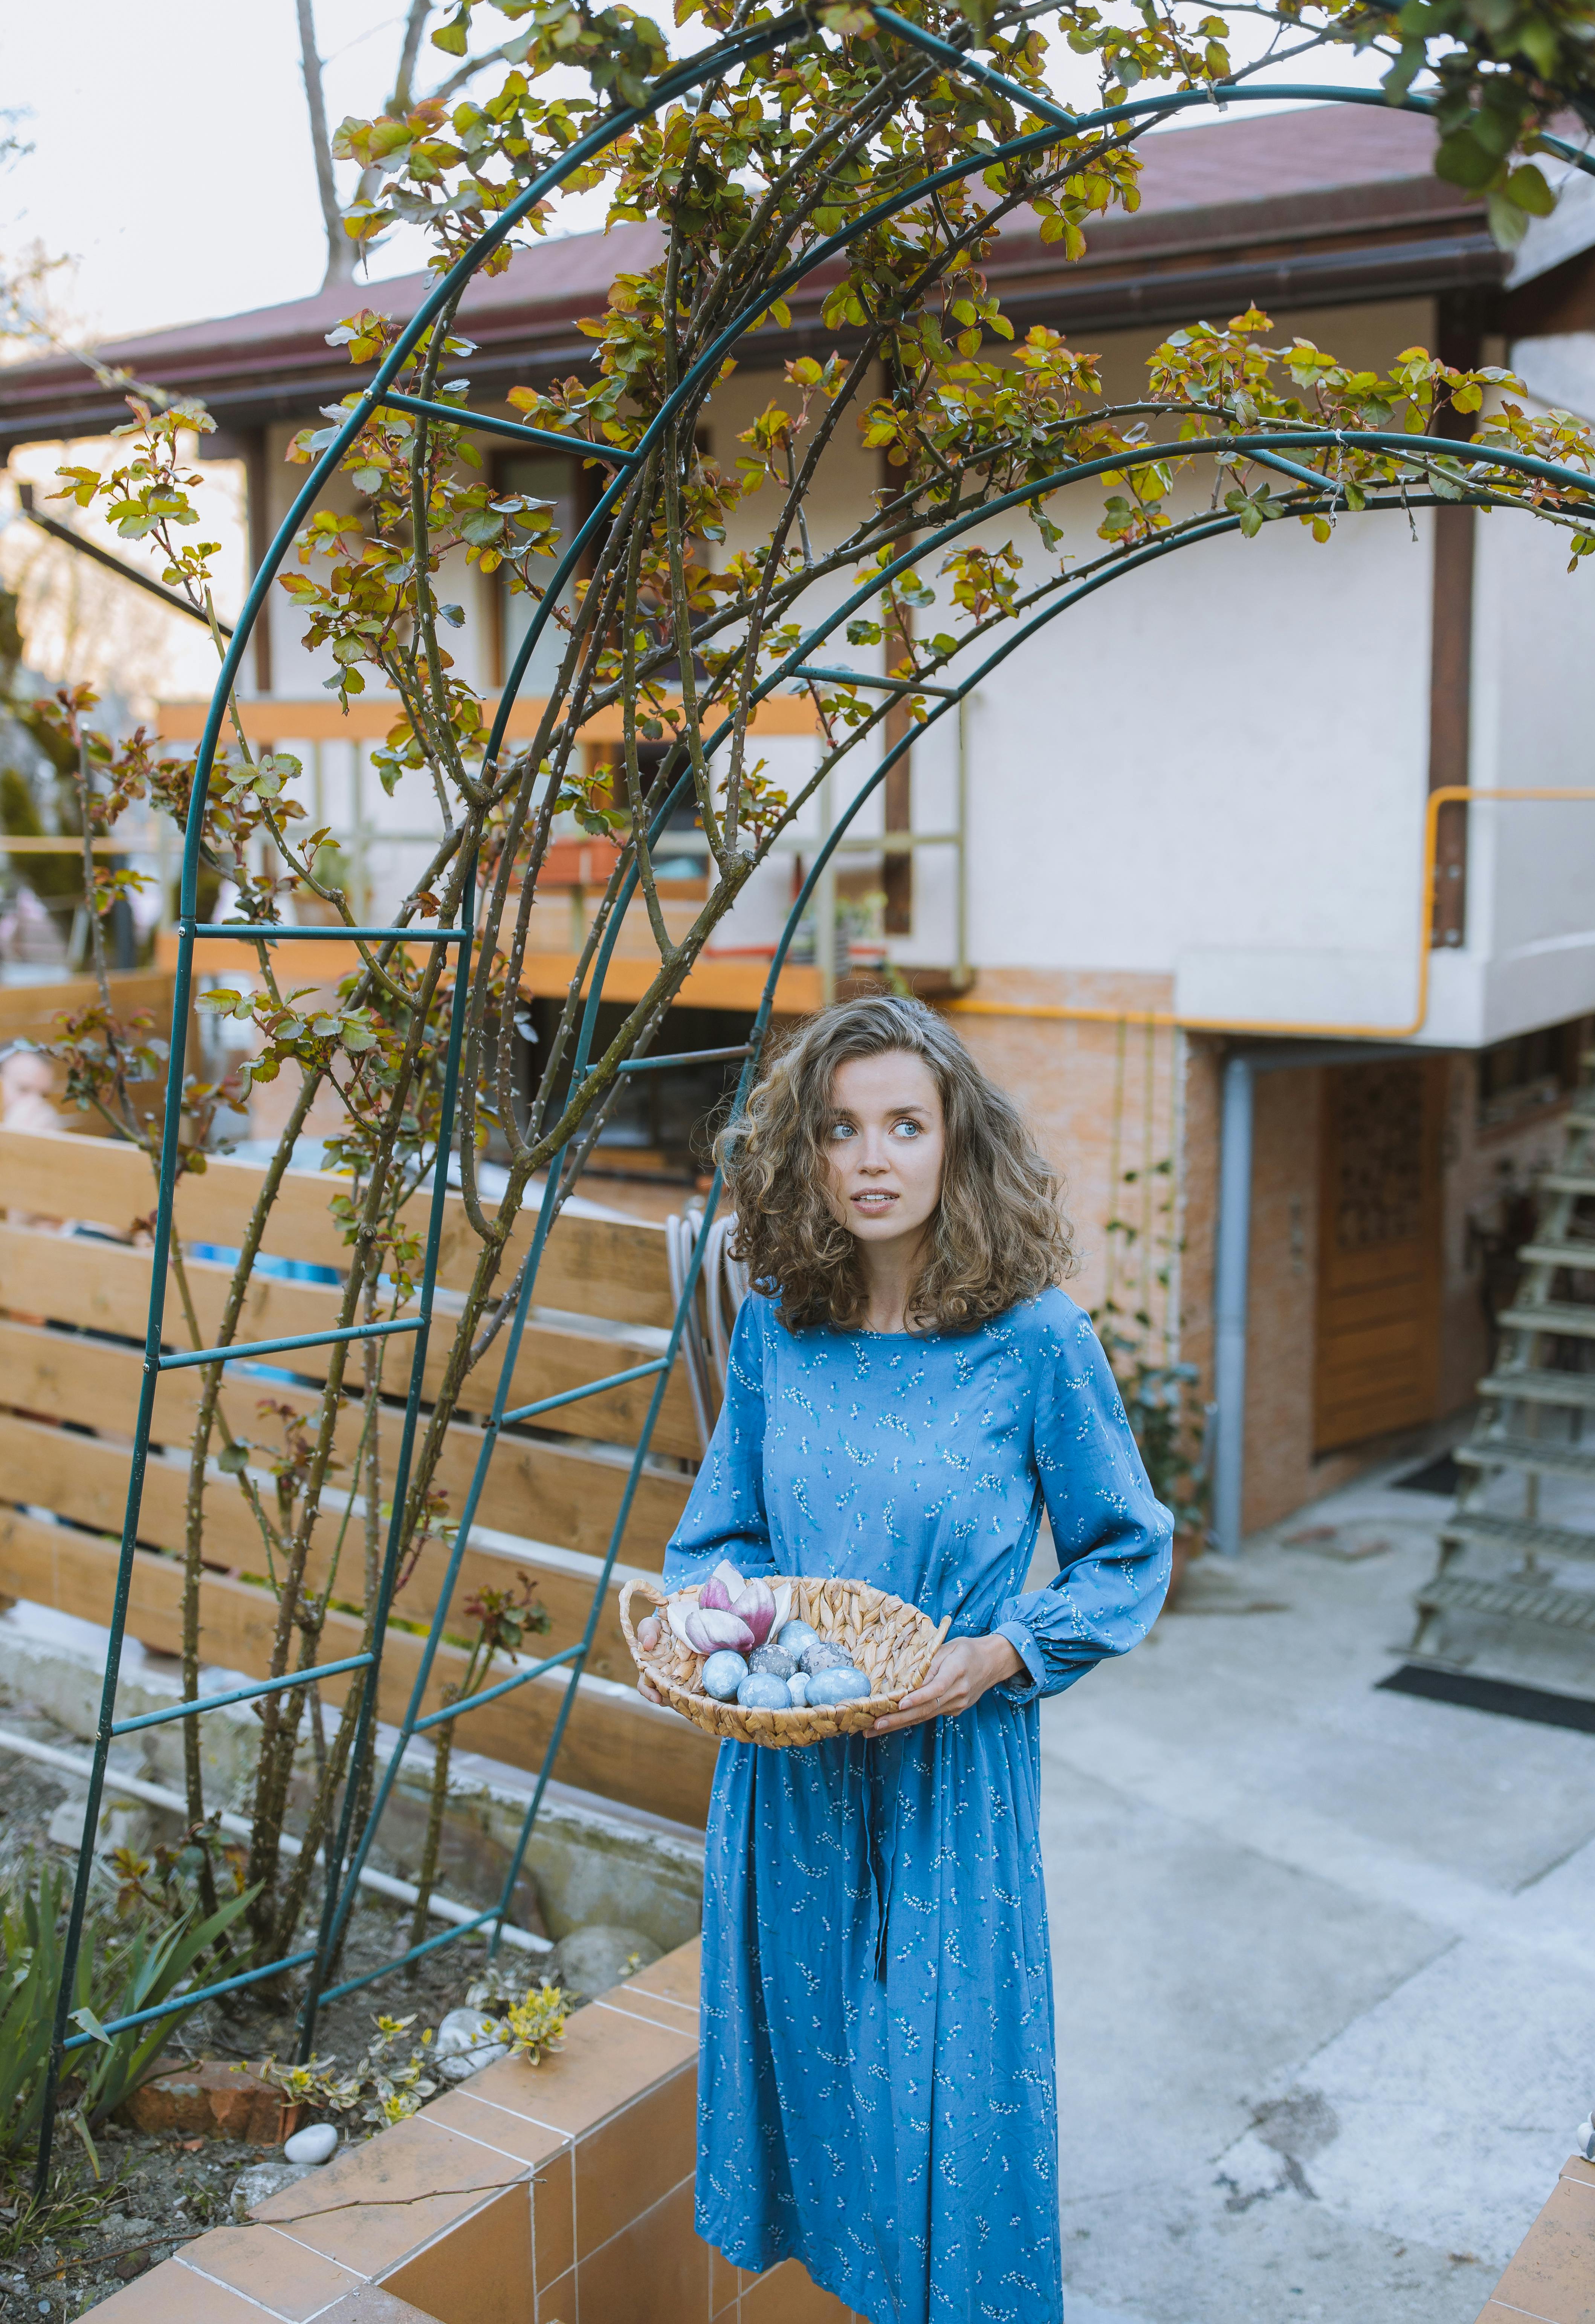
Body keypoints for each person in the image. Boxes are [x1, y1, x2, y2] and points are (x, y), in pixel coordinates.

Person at [651, 995, 1173, 2324]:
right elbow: (718, 1536)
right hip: (793, 1781)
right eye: (840, 1129)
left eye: (904, 1124)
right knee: (822, 2085)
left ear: (958, 1145)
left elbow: (1129, 1552)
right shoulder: (777, 1328)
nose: (872, 1157)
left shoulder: (1034, 1338)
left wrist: (1007, 1650)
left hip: (955, 1778)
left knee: (949, 2104)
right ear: (806, 1157)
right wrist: (723, 1634)